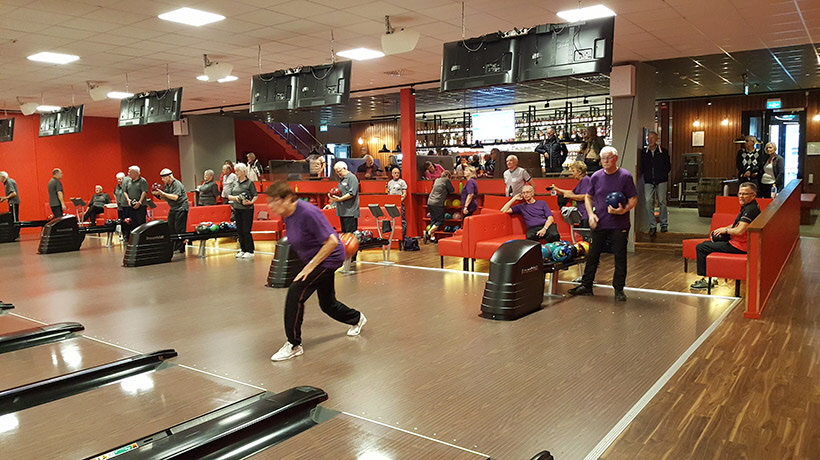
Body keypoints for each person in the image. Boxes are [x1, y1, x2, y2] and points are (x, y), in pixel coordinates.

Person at [264, 181, 367, 362]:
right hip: (315, 258)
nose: (270, 206)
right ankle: (356, 318)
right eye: (269, 201)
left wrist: (310, 266)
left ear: (288, 199)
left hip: (328, 258)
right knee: (328, 304)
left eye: (274, 201)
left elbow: (332, 242)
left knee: (295, 293)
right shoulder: (287, 214)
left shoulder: (308, 212)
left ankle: (294, 345)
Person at [568, 147, 638, 302]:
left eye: (608, 158)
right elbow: (588, 197)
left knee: (620, 257)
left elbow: (633, 199)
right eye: (603, 158)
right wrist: (591, 214)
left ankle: (619, 289)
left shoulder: (625, 176)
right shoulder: (596, 176)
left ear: (616, 158)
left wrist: (623, 210)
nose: (605, 161)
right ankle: (586, 285)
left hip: (619, 224)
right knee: (593, 255)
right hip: (600, 222)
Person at [690, 182, 761, 290]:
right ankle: (713, 277)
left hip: (740, 246)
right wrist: (721, 230)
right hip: (738, 243)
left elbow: (739, 231)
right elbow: (737, 225)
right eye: (740, 193)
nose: (741, 196)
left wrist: (726, 230)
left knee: (702, 247)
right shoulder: (749, 207)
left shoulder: (751, 210)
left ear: (753, 195)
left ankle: (706, 280)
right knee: (710, 243)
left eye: (745, 194)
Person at [640, 131, 671, 234]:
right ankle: (652, 225)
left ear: (657, 139)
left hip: (661, 180)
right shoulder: (644, 152)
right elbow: (642, 166)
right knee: (648, 201)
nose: (650, 140)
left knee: (662, 201)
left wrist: (662, 174)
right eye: (648, 138)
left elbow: (668, 166)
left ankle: (663, 224)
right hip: (649, 181)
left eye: (652, 138)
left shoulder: (663, 151)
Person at [152, 169, 189, 253]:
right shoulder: (167, 185)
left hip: (181, 207)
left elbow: (175, 197)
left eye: (163, 178)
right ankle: (174, 246)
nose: (162, 180)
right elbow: (167, 198)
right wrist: (158, 196)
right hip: (173, 208)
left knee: (179, 228)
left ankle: (180, 247)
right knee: (170, 227)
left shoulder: (177, 184)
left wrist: (163, 194)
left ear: (169, 176)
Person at [227, 163, 258, 259]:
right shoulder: (235, 183)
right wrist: (236, 198)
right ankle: (243, 249)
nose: (236, 173)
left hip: (247, 210)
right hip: (237, 209)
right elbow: (229, 196)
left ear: (244, 172)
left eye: (238, 171)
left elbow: (255, 195)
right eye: (235, 171)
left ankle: (250, 250)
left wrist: (250, 202)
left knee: (246, 230)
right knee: (239, 230)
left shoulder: (249, 183)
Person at [552, 161, 591, 227]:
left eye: (573, 171)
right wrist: (557, 189)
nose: (572, 173)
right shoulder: (581, 182)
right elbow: (572, 192)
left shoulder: (586, 180)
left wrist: (570, 196)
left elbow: (585, 196)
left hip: (586, 213)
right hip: (582, 213)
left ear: (579, 172)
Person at [329, 161, 359, 233]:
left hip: (350, 212)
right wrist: (333, 204)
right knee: (344, 234)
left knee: (350, 234)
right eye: (336, 172)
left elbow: (352, 193)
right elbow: (339, 193)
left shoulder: (352, 178)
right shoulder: (341, 179)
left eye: (339, 171)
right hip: (342, 211)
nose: (338, 173)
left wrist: (340, 199)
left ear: (345, 168)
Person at [425, 170, 454, 243]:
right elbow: (452, 190)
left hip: (430, 202)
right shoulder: (446, 180)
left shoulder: (437, 180)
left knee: (433, 220)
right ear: (448, 176)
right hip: (437, 203)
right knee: (440, 221)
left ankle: (432, 238)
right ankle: (428, 233)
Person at [122, 165, 148, 240]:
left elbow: (144, 192)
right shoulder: (128, 181)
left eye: (130, 172)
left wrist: (139, 202)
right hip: (131, 204)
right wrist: (128, 200)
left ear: (136, 173)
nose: (128, 174)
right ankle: (134, 238)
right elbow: (125, 191)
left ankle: (142, 238)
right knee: (133, 222)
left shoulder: (142, 181)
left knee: (141, 222)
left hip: (141, 205)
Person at [386, 168, 407, 237]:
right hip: (391, 205)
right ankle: (393, 235)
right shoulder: (389, 183)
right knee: (392, 219)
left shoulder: (402, 182)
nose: (397, 174)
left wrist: (399, 202)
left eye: (398, 173)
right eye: (395, 173)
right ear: (392, 174)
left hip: (400, 204)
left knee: (402, 220)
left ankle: (403, 236)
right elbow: (388, 193)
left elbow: (404, 194)